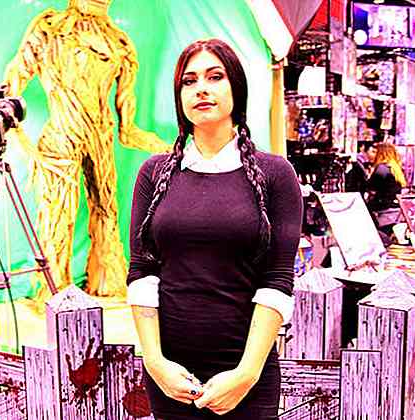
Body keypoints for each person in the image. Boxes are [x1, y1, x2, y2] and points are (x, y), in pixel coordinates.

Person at [127, 39, 302, 419]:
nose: (201, 89)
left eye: (215, 77)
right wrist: (155, 363)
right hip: (170, 376)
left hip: (246, 376)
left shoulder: (275, 174)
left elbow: (277, 279)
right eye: (189, 81)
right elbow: (141, 272)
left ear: (236, 87)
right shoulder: (153, 173)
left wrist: (246, 374)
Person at [3, 0, 169, 300]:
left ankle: (107, 284)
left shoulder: (118, 43)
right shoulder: (49, 29)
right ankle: (54, 293)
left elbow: (127, 130)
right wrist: (24, 144)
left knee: (107, 213)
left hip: (101, 138)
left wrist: (169, 148)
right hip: (60, 138)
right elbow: (9, 90)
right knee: (58, 220)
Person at [366, 143, 407, 236]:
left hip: (382, 208)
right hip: (394, 209)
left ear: (381, 153)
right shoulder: (395, 168)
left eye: (375, 152)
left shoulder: (381, 168)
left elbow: (371, 187)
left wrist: (369, 175)